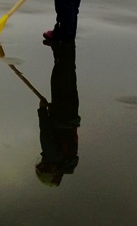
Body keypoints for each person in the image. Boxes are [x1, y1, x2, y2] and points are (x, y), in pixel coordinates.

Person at [35, 37, 80, 187]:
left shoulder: (69, 159)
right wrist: (42, 110)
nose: (41, 161)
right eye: (42, 166)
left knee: (69, 73)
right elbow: (45, 132)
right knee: (60, 74)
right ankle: (62, 43)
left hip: (72, 112)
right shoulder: (53, 156)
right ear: (50, 169)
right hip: (61, 112)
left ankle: (66, 44)